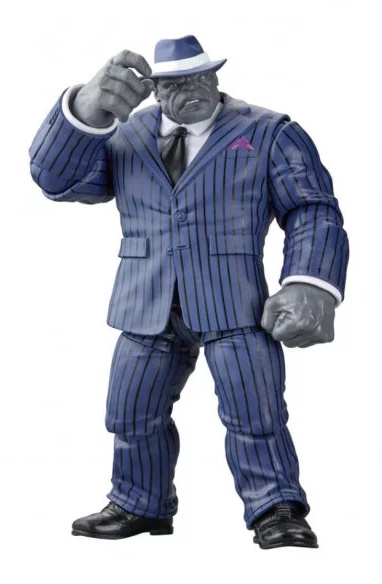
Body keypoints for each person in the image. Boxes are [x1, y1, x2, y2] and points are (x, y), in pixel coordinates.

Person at [29, 35, 348, 549]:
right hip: (145, 301)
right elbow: (56, 181)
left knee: (255, 408)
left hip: (234, 302)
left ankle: (276, 507)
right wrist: (84, 111)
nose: (194, 89)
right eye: (177, 83)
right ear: (155, 90)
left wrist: (309, 283)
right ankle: (139, 502)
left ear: (216, 77)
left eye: (203, 77)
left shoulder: (268, 131)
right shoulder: (126, 135)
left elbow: (311, 207)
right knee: (130, 411)